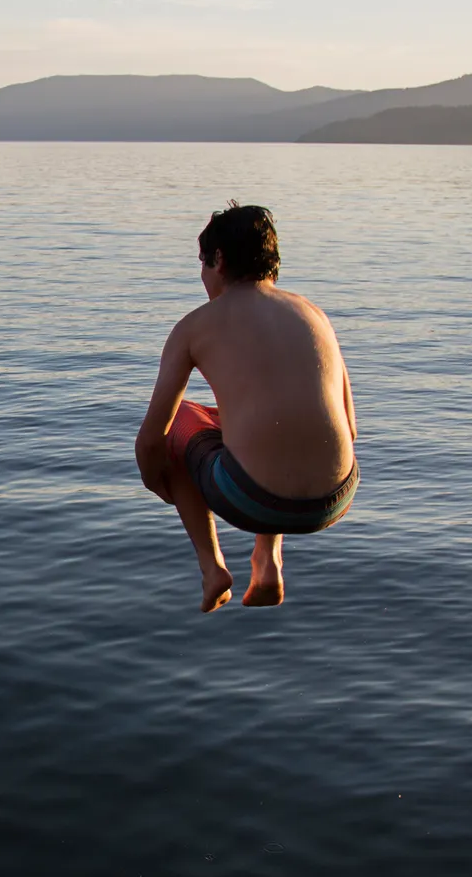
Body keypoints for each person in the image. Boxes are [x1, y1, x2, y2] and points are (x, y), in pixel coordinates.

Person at [135, 202, 357, 611]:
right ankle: (268, 561)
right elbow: (350, 426)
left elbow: (151, 441)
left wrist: (161, 483)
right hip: (337, 496)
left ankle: (212, 567)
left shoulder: (195, 325)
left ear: (218, 259)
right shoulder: (314, 315)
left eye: (202, 263)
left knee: (179, 420)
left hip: (251, 500)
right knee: (258, 422)